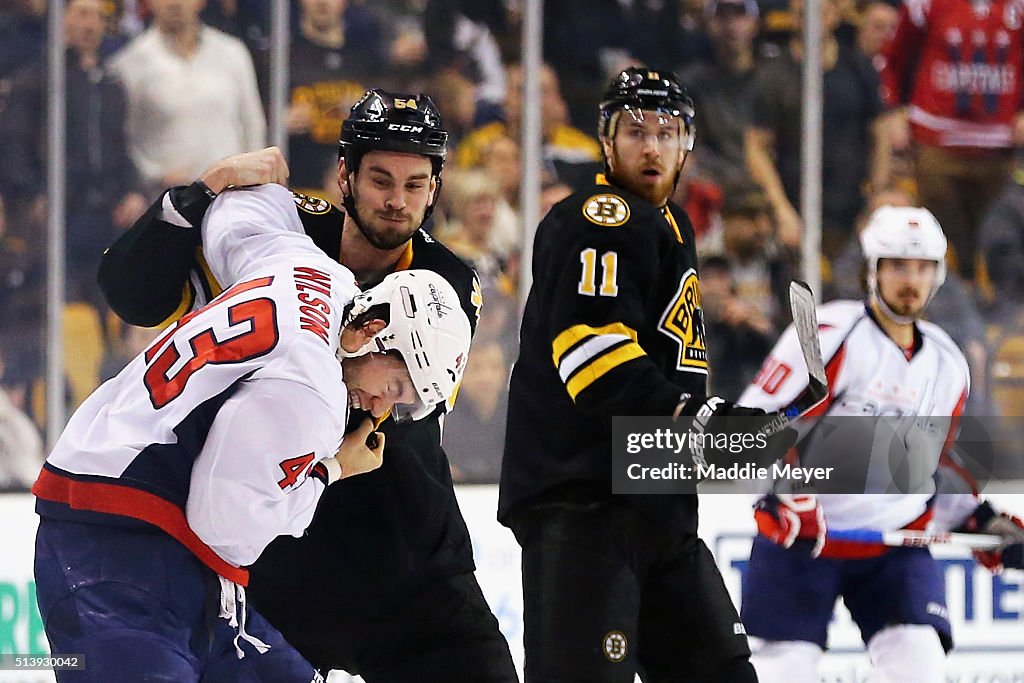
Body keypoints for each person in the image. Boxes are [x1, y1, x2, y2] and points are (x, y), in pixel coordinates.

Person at [97, 90, 519, 681]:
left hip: (410, 568)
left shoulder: (446, 281)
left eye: (415, 184)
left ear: (435, 187)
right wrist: (205, 190)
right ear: (344, 173)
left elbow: (379, 413)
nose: (397, 201)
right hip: (276, 565)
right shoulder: (281, 230)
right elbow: (130, 293)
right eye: (379, 178)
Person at [32, 181, 471, 681]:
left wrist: (235, 176)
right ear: (373, 331)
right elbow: (223, 528)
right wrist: (331, 470)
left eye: (402, 402)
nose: (380, 407)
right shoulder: (312, 394)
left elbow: (236, 218)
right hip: (115, 551)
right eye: (394, 385)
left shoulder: (317, 273)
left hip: (166, 544)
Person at [498, 66, 795, 683]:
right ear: (606, 141)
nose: (652, 146)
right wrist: (699, 418)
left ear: (687, 144)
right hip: (584, 504)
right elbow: (591, 357)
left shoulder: (671, 224)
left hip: (657, 500)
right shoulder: (597, 218)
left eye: (667, 131)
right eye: (635, 131)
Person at [738, 205, 1024, 683]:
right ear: (871, 270)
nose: (909, 280)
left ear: (937, 275)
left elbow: (934, 469)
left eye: (922, 268)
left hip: (893, 550)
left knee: (921, 669)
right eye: (896, 266)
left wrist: (983, 520)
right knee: (780, 674)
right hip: (802, 545)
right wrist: (779, 496)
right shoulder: (828, 334)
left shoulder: (948, 363)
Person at [878, 0, 1024, 279]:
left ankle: (995, 313)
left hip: (999, 147)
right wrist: (894, 109)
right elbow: (890, 58)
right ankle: (943, 307)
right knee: (939, 237)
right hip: (936, 144)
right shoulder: (924, 5)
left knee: (997, 241)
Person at [108, 0, 266, 193]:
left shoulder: (233, 52)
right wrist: (154, 174)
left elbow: (252, 123)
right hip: (167, 198)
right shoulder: (128, 64)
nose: (174, 3)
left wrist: (254, 181)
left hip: (232, 197)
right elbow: (123, 138)